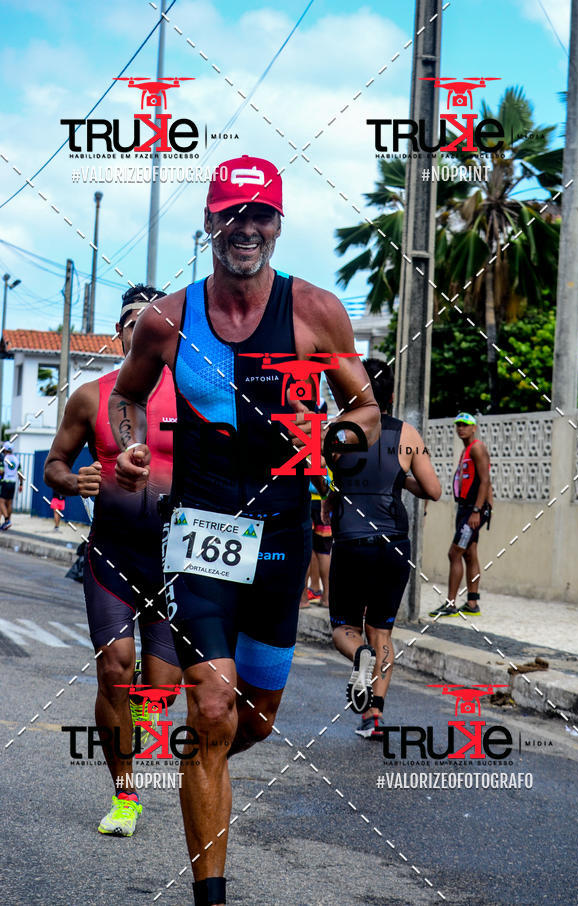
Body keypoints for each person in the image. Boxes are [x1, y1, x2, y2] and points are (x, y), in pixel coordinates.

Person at [108, 155, 380, 906]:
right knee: (211, 706)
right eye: (232, 213)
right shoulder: (168, 318)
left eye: (260, 214)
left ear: (278, 224)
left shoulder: (316, 311)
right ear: (209, 222)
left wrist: (335, 439)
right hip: (200, 528)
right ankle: (211, 893)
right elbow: (128, 397)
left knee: (253, 719)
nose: (245, 228)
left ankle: (204, 760)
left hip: (282, 533)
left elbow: (365, 409)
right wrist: (130, 446)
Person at [44, 285, 181, 837]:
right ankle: (125, 796)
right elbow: (54, 463)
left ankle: (144, 710)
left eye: (153, 323)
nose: (142, 332)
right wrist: (72, 479)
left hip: (176, 561)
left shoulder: (194, 397)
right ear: (120, 334)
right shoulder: (90, 397)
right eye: (132, 324)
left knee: (162, 687)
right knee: (114, 669)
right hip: (113, 556)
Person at [324, 359, 441, 740]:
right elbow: (433, 490)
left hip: (351, 541)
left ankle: (359, 655)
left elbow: (328, 484)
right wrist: (400, 479)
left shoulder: (338, 432)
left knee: (344, 628)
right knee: (382, 632)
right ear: (390, 396)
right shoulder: (407, 434)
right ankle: (374, 715)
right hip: (394, 545)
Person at [429, 412, 493, 618]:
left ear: (474, 428)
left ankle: (450, 604)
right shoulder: (466, 450)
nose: (461, 428)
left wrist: (477, 511)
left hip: (473, 510)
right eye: (458, 425)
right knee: (469, 552)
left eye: (465, 425)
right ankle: (472, 603)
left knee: (454, 553)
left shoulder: (477, 448)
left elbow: (485, 481)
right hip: (466, 508)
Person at [300, 474, 332, 608]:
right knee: (324, 551)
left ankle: (303, 599)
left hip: (306, 499)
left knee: (304, 549)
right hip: (325, 498)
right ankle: (327, 597)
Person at [0, 441, 23, 530]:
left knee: (1, 502)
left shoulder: (4, 459)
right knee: (9, 503)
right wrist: (21, 484)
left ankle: (6, 520)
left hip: (5, 481)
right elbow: (20, 473)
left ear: (5, 449)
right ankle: (8, 521)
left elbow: (1, 471)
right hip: (13, 482)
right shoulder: (16, 460)